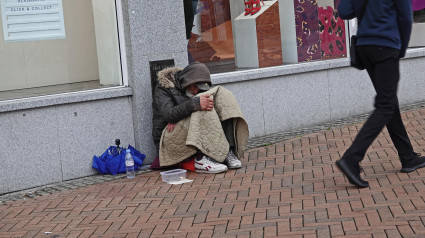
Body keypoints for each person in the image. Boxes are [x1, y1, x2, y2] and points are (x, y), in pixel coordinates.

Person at [335, 0, 425, 188]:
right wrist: (400, 49)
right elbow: (406, 18)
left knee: (389, 101)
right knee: (385, 105)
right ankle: (351, 158)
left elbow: (344, 11)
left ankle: (407, 157)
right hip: (385, 46)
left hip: (364, 48)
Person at [152, 62, 247, 173]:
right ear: (187, 80)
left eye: (199, 88)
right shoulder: (163, 88)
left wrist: (186, 111)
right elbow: (169, 114)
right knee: (202, 107)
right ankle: (201, 159)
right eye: (195, 87)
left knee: (223, 95)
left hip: (185, 128)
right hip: (167, 135)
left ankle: (227, 150)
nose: (196, 90)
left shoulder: (192, 85)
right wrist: (194, 104)